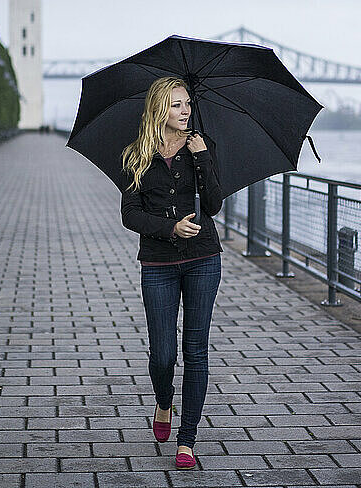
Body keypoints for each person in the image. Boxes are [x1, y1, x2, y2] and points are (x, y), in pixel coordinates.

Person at [120, 76, 223, 469]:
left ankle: (187, 441)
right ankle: (164, 400)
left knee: (195, 351)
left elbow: (213, 205)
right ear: (159, 108)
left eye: (187, 104)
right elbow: (131, 215)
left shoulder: (202, 146)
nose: (186, 111)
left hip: (203, 260)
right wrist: (170, 228)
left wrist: (202, 157)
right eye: (177, 104)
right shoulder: (135, 155)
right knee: (163, 355)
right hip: (158, 264)